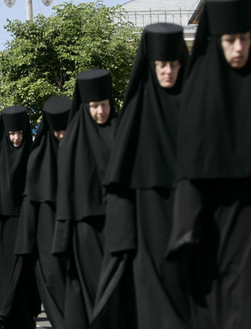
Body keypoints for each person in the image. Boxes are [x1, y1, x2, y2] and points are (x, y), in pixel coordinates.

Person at [168, 0, 251, 328]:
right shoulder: (199, 93)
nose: (239, 48)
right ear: (217, 41)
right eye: (230, 40)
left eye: (244, 39)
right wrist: (187, 231)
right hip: (214, 227)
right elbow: (190, 170)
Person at [99, 23, 189, 329]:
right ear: (151, 66)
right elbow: (121, 179)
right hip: (148, 219)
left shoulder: (195, 104)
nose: (167, 72)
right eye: (161, 65)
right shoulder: (136, 112)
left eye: (173, 64)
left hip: (188, 216)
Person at [52, 69, 120, 328]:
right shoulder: (72, 142)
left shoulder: (121, 131)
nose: (100, 111)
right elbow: (66, 192)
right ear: (85, 106)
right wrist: (63, 237)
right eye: (94, 106)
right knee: (93, 291)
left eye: (104, 104)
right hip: (85, 231)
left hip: (119, 225)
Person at [0, 106, 39, 329]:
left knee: (24, 275)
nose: (16, 138)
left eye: (19, 133)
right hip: (1, 229)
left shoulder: (33, 157)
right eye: (12, 133)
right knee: (1, 275)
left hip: (26, 226)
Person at [14, 95, 72, 329]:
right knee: (54, 282)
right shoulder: (39, 159)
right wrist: (26, 243)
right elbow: (31, 203)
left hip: (79, 235)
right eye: (58, 131)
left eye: (66, 130)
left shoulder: (82, 150)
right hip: (47, 236)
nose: (62, 136)